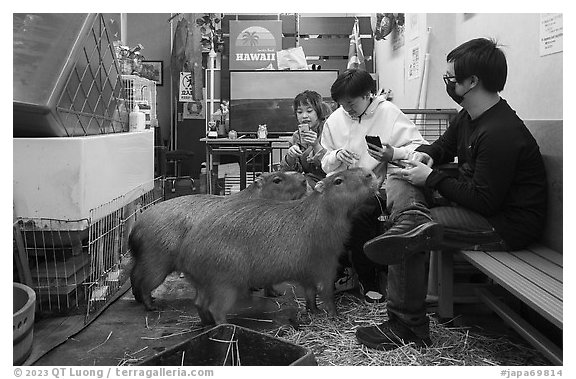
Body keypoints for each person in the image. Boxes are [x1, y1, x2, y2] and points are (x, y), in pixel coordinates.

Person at [358, 38, 548, 350]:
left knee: (412, 233)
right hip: (477, 204)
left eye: (451, 78)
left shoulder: (501, 132)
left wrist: (431, 178)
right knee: (402, 177)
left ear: (472, 81)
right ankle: (411, 222)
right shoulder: (470, 116)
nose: (447, 83)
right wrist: (427, 157)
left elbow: (486, 201)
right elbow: (443, 145)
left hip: (505, 223)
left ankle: (407, 325)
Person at [320, 69, 443, 304]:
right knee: (318, 211)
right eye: (342, 105)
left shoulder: (388, 113)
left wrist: (391, 153)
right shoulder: (336, 119)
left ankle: (368, 278)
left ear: (368, 95)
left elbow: (420, 149)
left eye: (350, 103)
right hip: (341, 185)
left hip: (376, 187)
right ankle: (337, 271)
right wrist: (336, 155)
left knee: (358, 213)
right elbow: (326, 163)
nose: (346, 110)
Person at [279, 90, 331, 186]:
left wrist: (316, 145)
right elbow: (285, 171)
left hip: (329, 182)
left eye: (309, 111)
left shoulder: (329, 130)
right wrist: (290, 157)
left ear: (319, 112)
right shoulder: (296, 136)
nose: (304, 116)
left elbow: (331, 166)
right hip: (308, 181)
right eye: (299, 112)